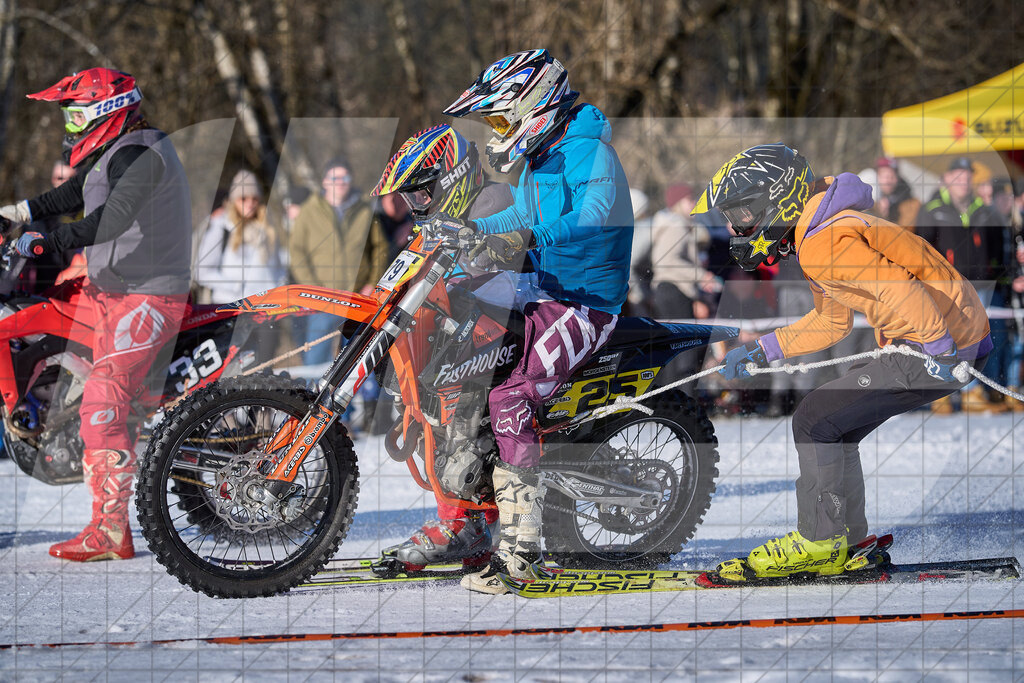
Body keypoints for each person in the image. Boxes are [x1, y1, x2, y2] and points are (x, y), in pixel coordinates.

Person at [692, 143, 991, 582]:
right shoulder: (819, 233)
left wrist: (938, 348)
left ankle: (819, 540)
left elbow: (897, 288)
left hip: (941, 345)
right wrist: (766, 349)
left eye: (741, 216)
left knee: (814, 420)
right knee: (836, 423)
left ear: (776, 201)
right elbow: (832, 321)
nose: (737, 228)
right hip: (943, 338)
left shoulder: (824, 241)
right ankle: (845, 539)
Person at [443, 49, 633, 593]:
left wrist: (523, 238)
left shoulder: (591, 152)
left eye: (502, 118)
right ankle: (467, 515)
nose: (500, 130)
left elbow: (595, 216)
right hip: (544, 289)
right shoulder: (541, 156)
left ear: (536, 103)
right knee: (459, 352)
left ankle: (523, 549)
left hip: (585, 302)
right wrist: (464, 229)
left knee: (511, 398)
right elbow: (523, 212)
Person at [0, 68, 191, 562]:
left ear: (105, 111)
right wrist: (17, 213)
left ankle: (109, 532)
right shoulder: (117, 149)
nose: (69, 123)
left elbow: (111, 219)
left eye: (75, 112)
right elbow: (70, 195)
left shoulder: (141, 154)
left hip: (148, 295)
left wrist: (51, 239)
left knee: (101, 403)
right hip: (111, 290)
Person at [369, 123, 514, 572]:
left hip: (507, 328)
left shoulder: (492, 202)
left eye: (422, 194)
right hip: (468, 329)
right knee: (429, 417)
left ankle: (467, 525)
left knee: (456, 417)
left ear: (451, 179)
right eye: (411, 198)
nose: (417, 206)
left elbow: (489, 267)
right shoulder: (440, 220)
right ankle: (470, 520)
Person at [916, 157, 1007, 413]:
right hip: (944, 286)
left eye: (967, 175)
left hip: (980, 285)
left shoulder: (985, 210)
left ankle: (972, 392)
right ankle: (940, 393)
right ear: (947, 179)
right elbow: (919, 247)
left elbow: (998, 248)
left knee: (979, 340)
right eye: (958, 174)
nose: (963, 180)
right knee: (943, 339)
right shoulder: (932, 209)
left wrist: (993, 272)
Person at [289, 157, 390, 365]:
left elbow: (380, 248)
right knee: (315, 357)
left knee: (358, 360)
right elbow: (297, 251)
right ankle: (310, 396)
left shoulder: (364, 209)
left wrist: (372, 283)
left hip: (357, 298)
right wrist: (313, 287)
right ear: (325, 181)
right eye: (334, 178)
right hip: (322, 299)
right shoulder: (309, 210)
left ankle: (358, 399)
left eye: (345, 177)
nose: (340, 182)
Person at [194, 169, 286, 358]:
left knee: (264, 367)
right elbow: (202, 271)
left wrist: (279, 291)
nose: (250, 203)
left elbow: (278, 268)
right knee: (235, 372)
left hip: (266, 311)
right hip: (233, 311)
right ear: (234, 200)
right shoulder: (221, 228)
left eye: (254, 198)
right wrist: (235, 285)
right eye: (243, 198)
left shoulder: (267, 228)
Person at [872, 157, 920, 228]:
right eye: (884, 176)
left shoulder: (911, 204)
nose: (888, 181)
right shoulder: (870, 203)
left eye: (892, 177)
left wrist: (886, 216)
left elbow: (905, 232)